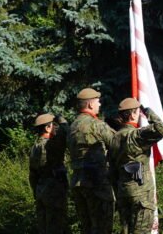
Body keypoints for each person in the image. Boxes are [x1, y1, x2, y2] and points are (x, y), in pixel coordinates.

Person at [110, 97, 163, 234]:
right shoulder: (136, 136)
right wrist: (146, 110)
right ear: (132, 114)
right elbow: (161, 129)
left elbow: (111, 170)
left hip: (123, 191)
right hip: (141, 195)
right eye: (137, 112)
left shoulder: (115, 138)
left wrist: (117, 190)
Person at [68, 88, 115, 234]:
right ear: (89, 105)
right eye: (97, 101)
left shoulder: (72, 126)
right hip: (97, 182)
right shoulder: (96, 124)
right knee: (102, 227)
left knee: (87, 228)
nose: (100, 104)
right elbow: (118, 144)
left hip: (77, 181)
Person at [29, 113, 69, 234]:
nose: (57, 129)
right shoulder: (50, 144)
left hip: (41, 188)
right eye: (54, 126)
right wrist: (62, 120)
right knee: (56, 226)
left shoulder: (35, 146)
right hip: (53, 190)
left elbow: (32, 174)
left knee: (43, 227)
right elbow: (67, 133)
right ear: (47, 128)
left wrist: (36, 191)